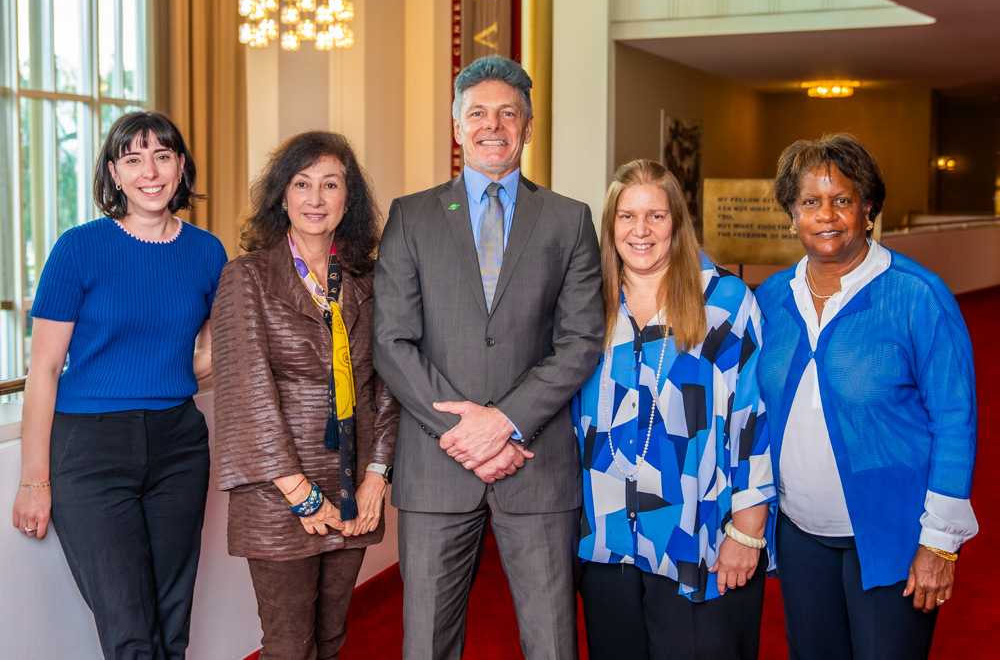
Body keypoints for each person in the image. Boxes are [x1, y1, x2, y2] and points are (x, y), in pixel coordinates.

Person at [373, 55, 605, 660]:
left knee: (553, 641)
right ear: (456, 126)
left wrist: (502, 423)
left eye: (508, 113)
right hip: (436, 464)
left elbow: (580, 340)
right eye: (477, 113)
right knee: (426, 642)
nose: (492, 125)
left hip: (536, 460)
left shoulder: (569, 220)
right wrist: (466, 432)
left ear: (528, 127)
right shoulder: (411, 215)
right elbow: (391, 341)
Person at [10, 111, 226, 660]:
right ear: (114, 172)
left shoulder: (207, 253)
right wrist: (34, 481)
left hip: (179, 439)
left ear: (181, 166)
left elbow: (202, 355)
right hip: (90, 449)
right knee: (129, 627)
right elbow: (44, 371)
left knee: (171, 617)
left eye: (162, 156)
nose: (149, 171)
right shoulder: (78, 248)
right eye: (133, 159)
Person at [756, 133, 978, 660]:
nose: (826, 215)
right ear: (792, 214)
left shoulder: (917, 296)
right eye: (810, 201)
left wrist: (939, 544)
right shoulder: (769, 300)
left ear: (868, 207)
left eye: (842, 200)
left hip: (894, 540)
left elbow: (955, 421)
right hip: (799, 535)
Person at [572, 158, 775, 660]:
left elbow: (754, 419)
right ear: (610, 225)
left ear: (678, 223)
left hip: (698, 541)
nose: (640, 230)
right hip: (607, 540)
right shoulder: (585, 303)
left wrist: (747, 532)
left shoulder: (724, 301)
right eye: (626, 216)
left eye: (656, 216)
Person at [212, 131, 399, 660]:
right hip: (279, 496)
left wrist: (376, 476)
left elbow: (386, 384)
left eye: (330, 184)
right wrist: (299, 492)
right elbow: (244, 392)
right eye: (302, 183)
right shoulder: (246, 278)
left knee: (333, 637)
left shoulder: (368, 280)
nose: (315, 199)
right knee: (289, 646)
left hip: (353, 490)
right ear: (282, 196)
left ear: (348, 199)